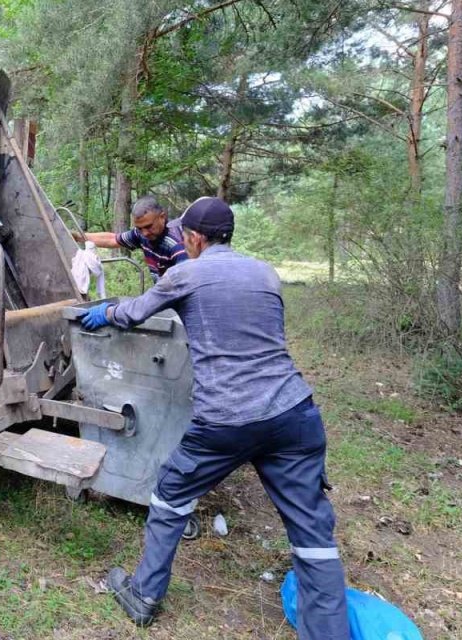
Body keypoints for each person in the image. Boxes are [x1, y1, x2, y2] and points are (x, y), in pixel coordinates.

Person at [80, 197, 349, 638]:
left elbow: (133, 313)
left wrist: (103, 312)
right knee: (312, 531)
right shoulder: (264, 272)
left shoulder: (186, 272)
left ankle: (143, 595)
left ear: (195, 238)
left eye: (185, 234)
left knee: (170, 495)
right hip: (294, 414)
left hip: (228, 417)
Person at [77, 195, 187, 281]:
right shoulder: (141, 234)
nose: (144, 233)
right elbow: (113, 239)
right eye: (139, 228)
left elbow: (188, 285)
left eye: (148, 226)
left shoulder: (177, 246)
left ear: (162, 217)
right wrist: (78, 236)